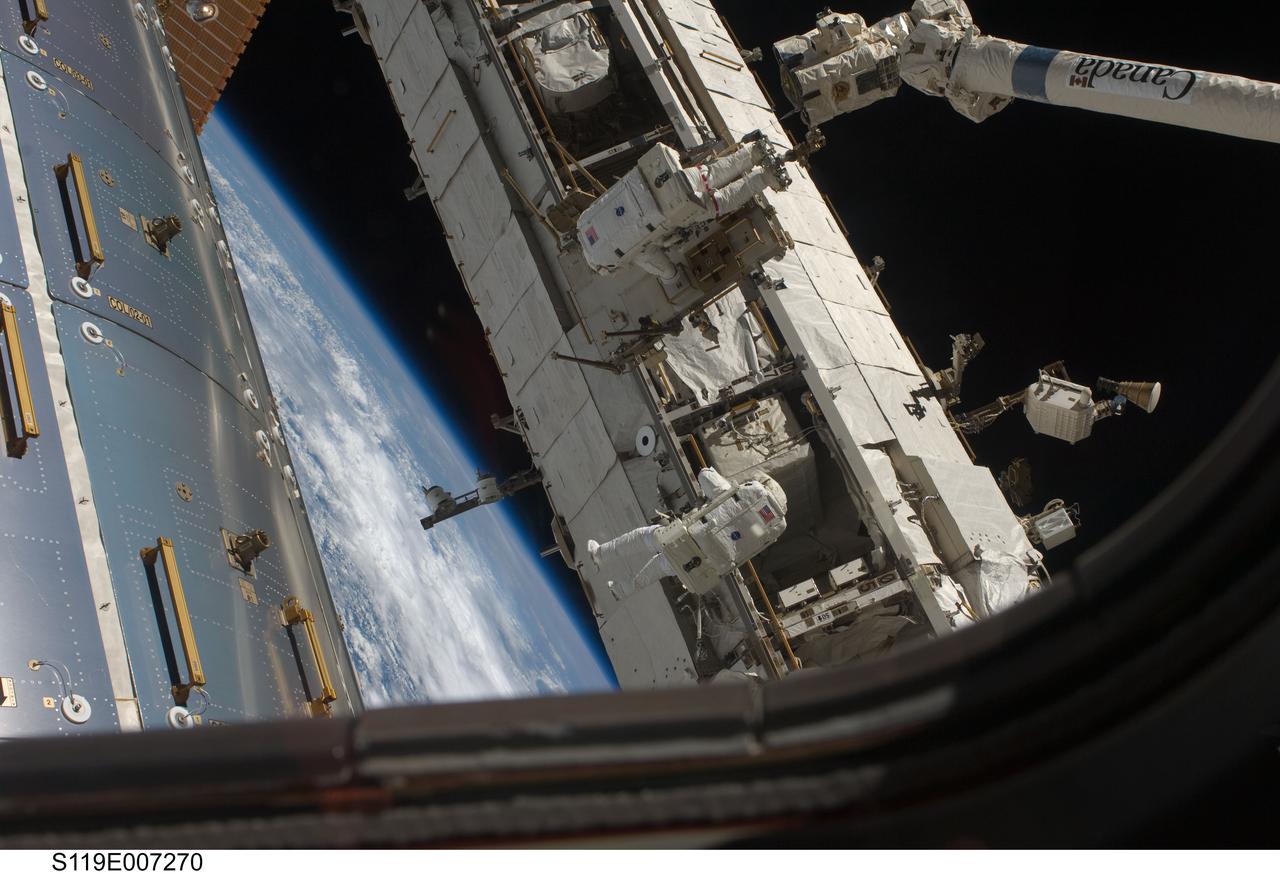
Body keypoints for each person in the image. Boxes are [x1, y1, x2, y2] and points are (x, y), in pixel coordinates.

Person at [587, 467, 788, 600]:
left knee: (645, 537)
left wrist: (715, 477)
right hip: (707, 563)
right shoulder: (775, 526)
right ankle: (621, 590)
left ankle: (601, 554)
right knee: (662, 566)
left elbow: (706, 476)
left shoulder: (751, 493)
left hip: (691, 535)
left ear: (765, 483)